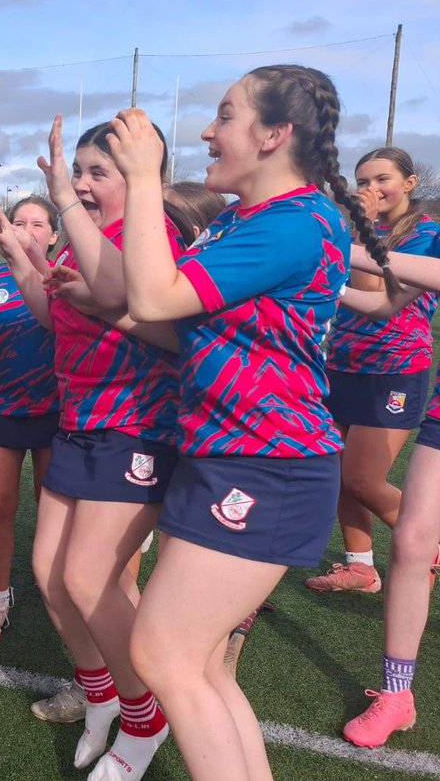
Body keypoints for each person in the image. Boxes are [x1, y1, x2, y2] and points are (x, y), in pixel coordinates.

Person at [120, 65, 385, 781]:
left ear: (274, 135)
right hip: (230, 456)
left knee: (164, 655)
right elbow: (192, 329)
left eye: (225, 115)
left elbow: (154, 294)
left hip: (266, 466)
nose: (208, 131)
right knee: (202, 665)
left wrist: (146, 178)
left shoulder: (295, 224)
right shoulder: (252, 219)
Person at [0, 116, 182, 781]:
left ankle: (144, 715)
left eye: (97, 171)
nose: (83, 183)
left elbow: (118, 297)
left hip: (134, 424)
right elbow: (58, 315)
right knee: (49, 574)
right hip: (80, 421)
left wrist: (60, 201)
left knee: (89, 578)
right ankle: (101, 697)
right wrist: (21, 259)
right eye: (80, 171)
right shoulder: (79, 244)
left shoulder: (147, 236)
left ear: (135, 175)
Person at [307, 147, 438, 593]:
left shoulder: (425, 234)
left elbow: (372, 289)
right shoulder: (360, 230)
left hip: (395, 368)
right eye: (362, 182)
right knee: (338, 470)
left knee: (363, 478)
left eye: (381, 179)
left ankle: (431, 546)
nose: (370, 190)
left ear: (408, 182)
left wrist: (357, 232)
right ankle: (360, 567)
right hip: (342, 361)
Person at [0, 196, 60, 645]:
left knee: (54, 512)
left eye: (38, 224)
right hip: (4, 407)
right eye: (20, 221)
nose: (27, 230)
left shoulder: (65, 278)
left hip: (58, 411)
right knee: (0, 505)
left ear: (54, 234)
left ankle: (58, 594)